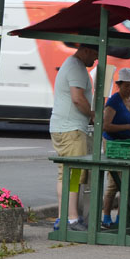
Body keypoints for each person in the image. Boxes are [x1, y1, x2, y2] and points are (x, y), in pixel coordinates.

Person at [50, 43, 98, 232]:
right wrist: (93, 115)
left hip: (63, 127)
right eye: (95, 54)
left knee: (67, 174)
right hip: (72, 129)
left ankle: (64, 218)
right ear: (86, 50)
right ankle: (71, 219)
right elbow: (77, 98)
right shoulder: (76, 67)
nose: (96, 60)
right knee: (73, 174)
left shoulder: (70, 64)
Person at [101, 67, 130, 227]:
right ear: (119, 85)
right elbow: (106, 126)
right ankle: (106, 216)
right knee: (114, 182)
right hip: (113, 143)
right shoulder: (114, 101)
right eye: (126, 86)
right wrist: (129, 127)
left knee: (128, 182)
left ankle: (122, 218)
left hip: (128, 143)